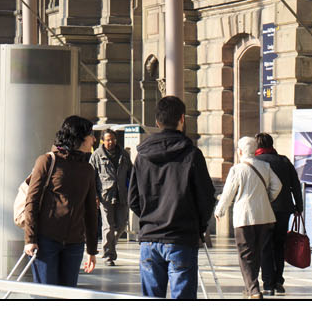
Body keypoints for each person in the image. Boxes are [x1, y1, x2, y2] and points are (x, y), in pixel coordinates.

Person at [130, 95, 216, 300]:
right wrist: (200, 225)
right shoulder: (192, 154)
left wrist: (150, 216)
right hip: (182, 237)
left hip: (149, 238)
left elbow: (132, 198)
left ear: (157, 122)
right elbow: (206, 197)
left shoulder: (142, 156)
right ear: (182, 119)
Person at [21, 115, 100, 287]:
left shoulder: (87, 169)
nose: (94, 139)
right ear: (78, 137)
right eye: (90, 135)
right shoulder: (47, 161)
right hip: (46, 240)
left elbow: (90, 211)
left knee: (67, 294)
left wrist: (92, 249)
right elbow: (31, 201)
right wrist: (30, 238)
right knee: (45, 295)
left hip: (75, 244)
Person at [215, 136, 284, 299]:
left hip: (244, 217)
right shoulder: (265, 166)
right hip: (264, 215)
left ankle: (253, 289)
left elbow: (228, 193)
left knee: (245, 253)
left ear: (240, 151)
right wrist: (268, 198)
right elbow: (278, 185)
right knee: (258, 251)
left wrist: (220, 210)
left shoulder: (237, 169)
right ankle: (251, 286)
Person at [254, 132, 303, 296]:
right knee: (279, 245)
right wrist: (299, 206)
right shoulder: (283, 161)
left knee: (265, 245)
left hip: (263, 209)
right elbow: (295, 185)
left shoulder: (256, 162)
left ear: (257, 146)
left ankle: (267, 283)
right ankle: (278, 281)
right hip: (283, 209)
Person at [91, 127, 131, 265]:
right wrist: (95, 195)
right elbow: (92, 177)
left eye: (113, 139)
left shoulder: (124, 155)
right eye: (108, 140)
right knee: (108, 226)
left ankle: (110, 245)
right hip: (105, 196)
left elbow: (130, 174)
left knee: (121, 225)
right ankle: (109, 255)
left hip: (122, 195)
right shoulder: (96, 155)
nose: (111, 142)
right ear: (103, 140)